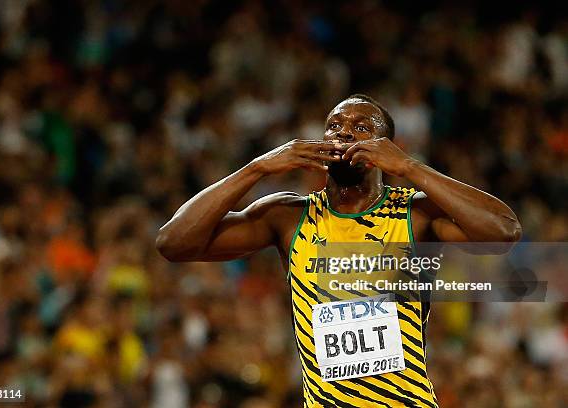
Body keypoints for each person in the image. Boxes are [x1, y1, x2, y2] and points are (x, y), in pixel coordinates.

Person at [156, 94, 522, 407]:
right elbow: (174, 242)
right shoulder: (288, 217)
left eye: (362, 128)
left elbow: (503, 231)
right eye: (333, 126)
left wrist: (410, 167)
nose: (344, 132)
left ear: (386, 148)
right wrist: (257, 168)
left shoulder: (417, 214)